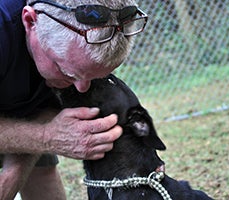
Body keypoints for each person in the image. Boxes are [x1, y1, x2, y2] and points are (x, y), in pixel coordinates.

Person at [0, 0, 147, 199]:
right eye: (66, 71)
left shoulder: (78, 51)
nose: (81, 89)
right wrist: (45, 137)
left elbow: (45, 119)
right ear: (30, 21)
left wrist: (14, 172)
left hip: (27, 100)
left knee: (41, 171)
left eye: (95, 77)